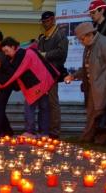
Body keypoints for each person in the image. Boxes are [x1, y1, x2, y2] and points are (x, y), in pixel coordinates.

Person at [0, 37, 59, 138]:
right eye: (4, 52)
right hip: (42, 82)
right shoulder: (22, 53)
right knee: (42, 107)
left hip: (38, 83)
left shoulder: (21, 55)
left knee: (31, 106)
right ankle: (43, 133)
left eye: (6, 51)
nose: (6, 54)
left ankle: (31, 131)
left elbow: (12, 74)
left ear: (13, 47)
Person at [64, 22, 106, 145]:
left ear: (90, 34)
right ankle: (88, 136)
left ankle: (101, 138)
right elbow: (85, 68)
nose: (81, 42)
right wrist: (73, 76)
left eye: (82, 39)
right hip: (92, 87)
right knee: (91, 113)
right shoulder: (88, 47)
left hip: (104, 86)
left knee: (102, 113)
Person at [37, 11, 69, 139]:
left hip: (54, 72)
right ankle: (45, 129)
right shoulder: (43, 37)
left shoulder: (60, 34)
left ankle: (55, 132)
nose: (46, 23)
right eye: (44, 21)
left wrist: (46, 55)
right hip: (43, 73)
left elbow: (62, 52)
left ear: (54, 20)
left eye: (48, 21)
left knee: (52, 103)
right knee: (44, 103)